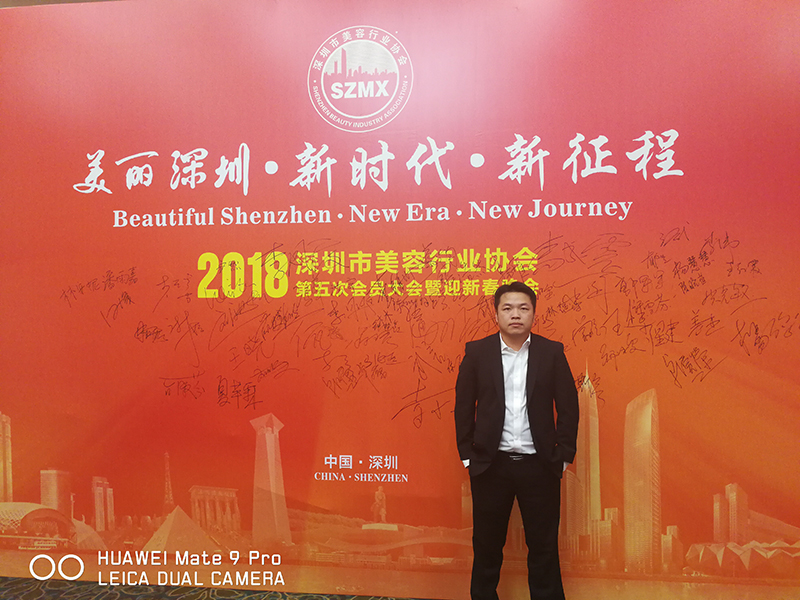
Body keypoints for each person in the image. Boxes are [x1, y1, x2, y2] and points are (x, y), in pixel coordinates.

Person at [455, 281, 579, 600]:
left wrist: (563, 456)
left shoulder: (551, 353)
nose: (515, 314)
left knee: (543, 549)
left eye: (523, 308)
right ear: (496, 313)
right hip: (490, 465)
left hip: (540, 465)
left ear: (534, 313)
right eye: (507, 308)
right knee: (486, 547)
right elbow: (463, 405)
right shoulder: (477, 352)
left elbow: (568, 405)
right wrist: (468, 455)